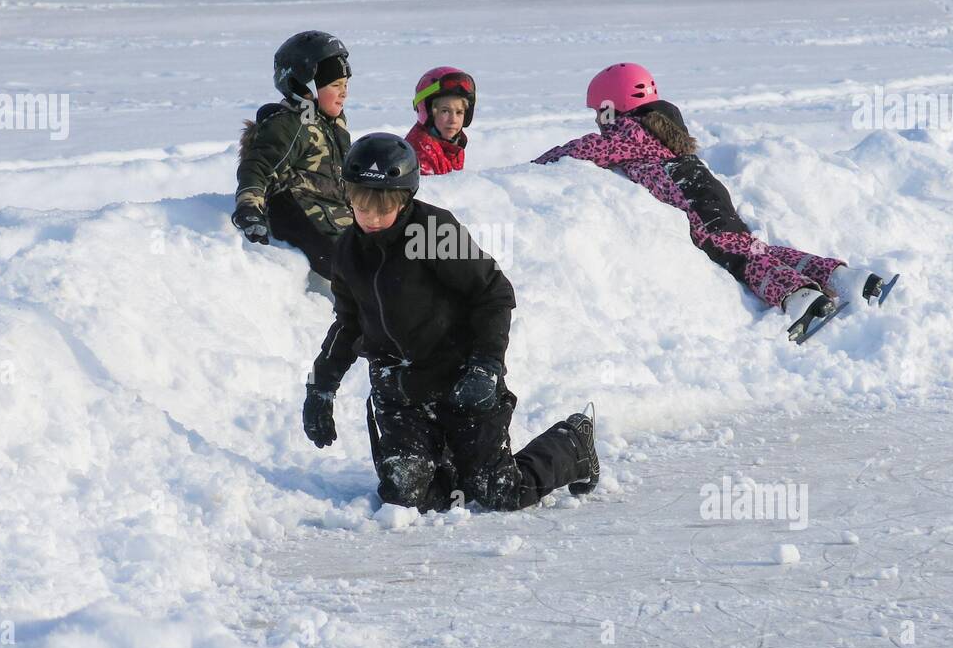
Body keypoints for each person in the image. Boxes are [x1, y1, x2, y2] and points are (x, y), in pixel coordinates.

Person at [302, 132, 600, 512]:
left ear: (405, 197)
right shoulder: (347, 251)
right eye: (362, 206)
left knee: (499, 491)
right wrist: (320, 388)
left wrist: (486, 367)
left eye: (383, 207)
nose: (372, 218)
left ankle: (573, 442)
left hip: (461, 380)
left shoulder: (433, 232)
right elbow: (347, 324)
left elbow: (493, 295)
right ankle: (447, 464)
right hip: (399, 391)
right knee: (406, 498)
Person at [534, 63, 890, 341]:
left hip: (693, 200)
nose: (597, 120)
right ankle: (849, 279)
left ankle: (800, 299)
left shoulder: (631, 132)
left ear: (616, 107)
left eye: (600, 111)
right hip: (705, 190)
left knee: (739, 258)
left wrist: (545, 160)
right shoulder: (660, 127)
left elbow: (590, 149)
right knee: (756, 249)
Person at [233, 30, 353, 280]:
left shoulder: (333, 124)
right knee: (359, 269)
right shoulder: (290, 124)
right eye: (334, 85)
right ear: (303, 86)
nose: (344, 92)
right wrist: (249, 207)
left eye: (345, 84)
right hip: (303, 215)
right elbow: (258, 166)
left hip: (337, 215)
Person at [404, 66, 474, 175]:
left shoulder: (453, 146)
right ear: (429, 113)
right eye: (445, 111)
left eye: (459, 112)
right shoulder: (421, 154)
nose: (453, 120)